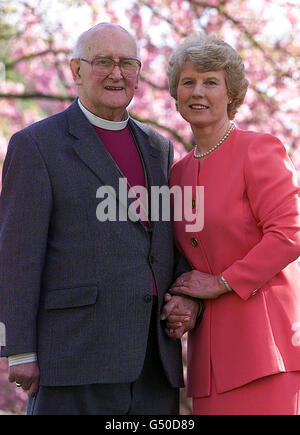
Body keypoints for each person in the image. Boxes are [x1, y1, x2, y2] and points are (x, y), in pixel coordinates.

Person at [0, 23, 200, 415]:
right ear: (76, 71)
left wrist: (188, 297)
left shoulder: (158, 147)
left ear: (139, 74)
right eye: (103, 61)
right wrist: (19, 349)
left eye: (128, 63)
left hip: (152, 363)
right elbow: (15, 256)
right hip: (74, 359)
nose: (116, 73)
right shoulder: (36, 145)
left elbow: (164, 241)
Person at [162, 32, 300, 415]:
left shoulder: (260, 149)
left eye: (211, 81)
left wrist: (221, 282)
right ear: (176, 95)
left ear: (231, 93)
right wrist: (186, 298)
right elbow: (187, 258)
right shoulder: (176, 174)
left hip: (264, 350)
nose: (197, 91)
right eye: (188, 82)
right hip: (208, 363)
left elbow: (290, 233)